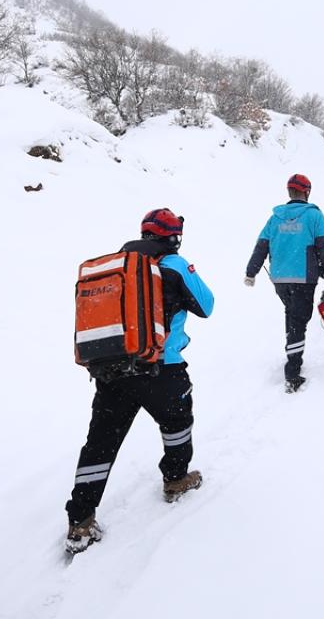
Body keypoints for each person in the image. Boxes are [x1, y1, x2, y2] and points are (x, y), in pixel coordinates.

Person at [65, 208, 215, 554]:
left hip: (114, 368)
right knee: (177, 422)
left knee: (101, 441)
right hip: (162, 366)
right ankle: (176, 480)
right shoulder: (175, 264)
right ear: (172, 237)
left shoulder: (117, 264)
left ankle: (80, 520)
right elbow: (206, 305)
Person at [244, 174, 324, 392]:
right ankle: (293, 372)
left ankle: (293, 350)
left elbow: (261, 246)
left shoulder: (275, 218)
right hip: (304, 279)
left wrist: (251, 272)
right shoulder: (314, 216)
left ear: (290, 192)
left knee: (293, 316)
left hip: (280, 279)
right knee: (299, 321)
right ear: (307, 192)